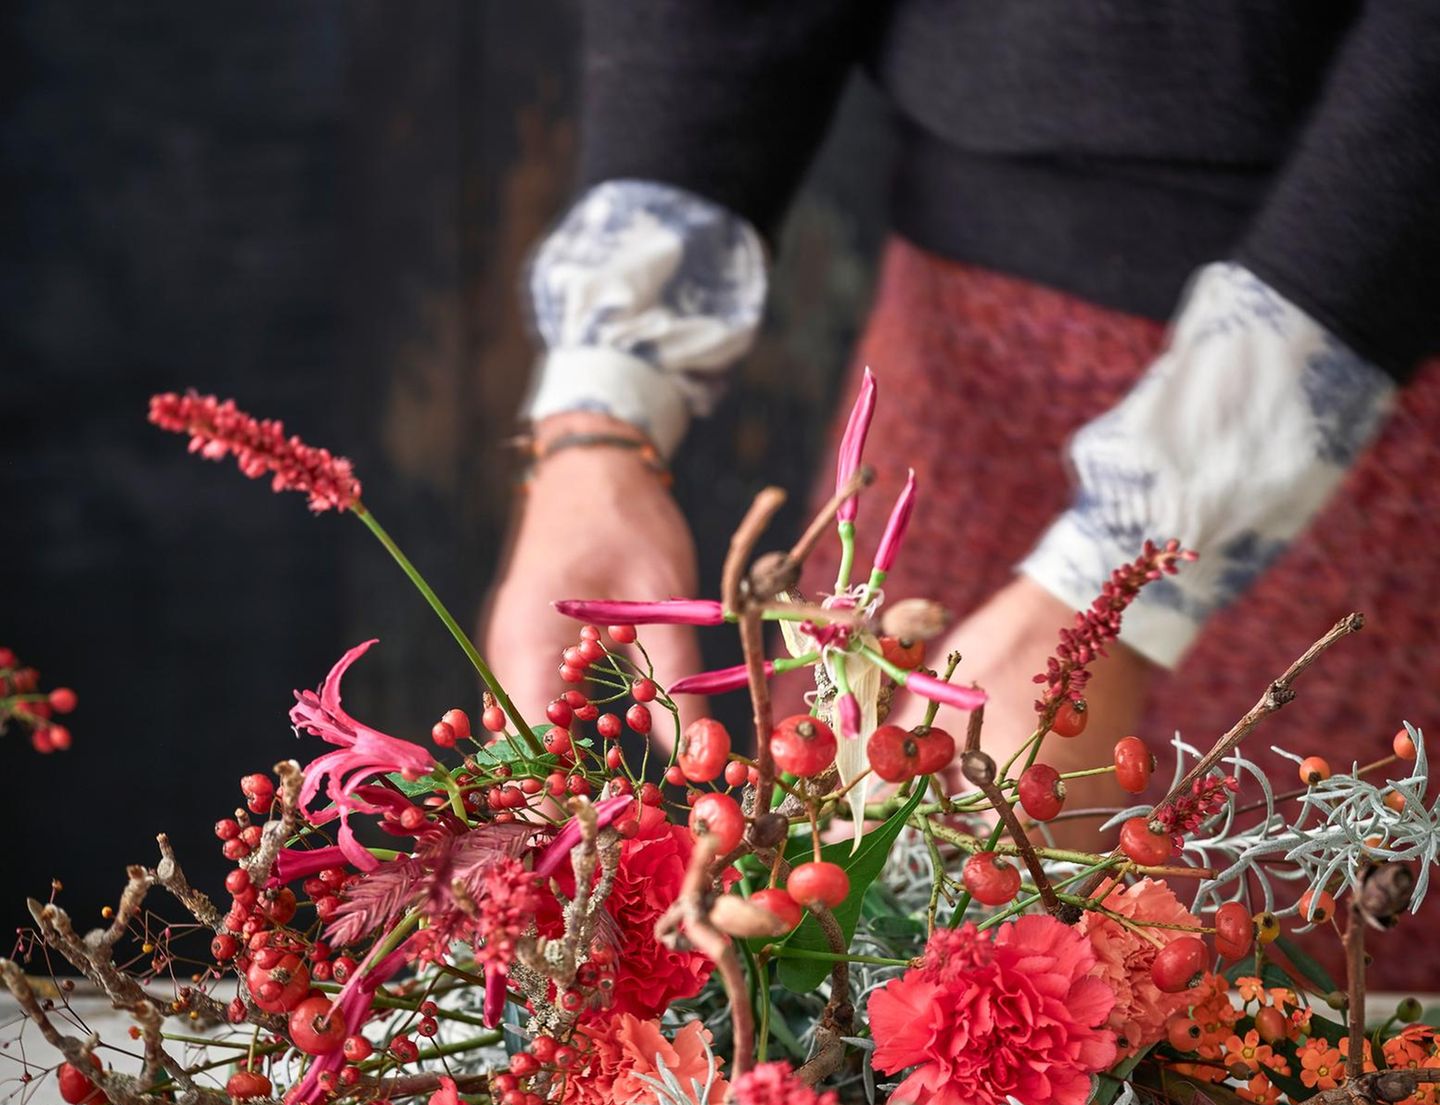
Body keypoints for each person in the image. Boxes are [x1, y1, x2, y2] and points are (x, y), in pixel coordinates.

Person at [486, 2, 1440, 922]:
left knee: (1331, 991)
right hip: (961, 367)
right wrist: (598, 428)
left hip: (1375, 361)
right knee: (849, 965)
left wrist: (1112, 571)